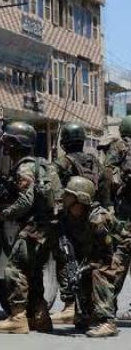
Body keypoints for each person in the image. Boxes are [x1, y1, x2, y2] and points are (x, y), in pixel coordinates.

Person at [0, 122, 55, 334]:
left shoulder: (25, 168)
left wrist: (2, 214)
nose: (4, 145)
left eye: (8, 141)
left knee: (14, 268)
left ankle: (18, 318)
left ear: (17, 143)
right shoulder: (37, 164)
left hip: (32, 227)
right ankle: (40, 317)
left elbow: (26, 200)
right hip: (45, 227)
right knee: (33, 272)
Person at [52, 122, 109, 324]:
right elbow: (105, 192)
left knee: (67, 259)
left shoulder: (62, 163)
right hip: (93, 216)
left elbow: (54, 192)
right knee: (89, 262)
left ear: (64, 142)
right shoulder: (96, 163)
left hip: (71, 218)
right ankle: (88, 308)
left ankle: (69, 306)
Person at [59, 176, 131, 337]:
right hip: (99, 251)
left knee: (101, 273)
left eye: (69, 196)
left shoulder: (98, 220)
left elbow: (105, 257)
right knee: (83, 274)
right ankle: (89, 315)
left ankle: (107, 321)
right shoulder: (70, 216)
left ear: (81, 200)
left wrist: (87, 266)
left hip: (120, 248)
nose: (65, 199)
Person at [101, 115, 131, 318]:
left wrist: (107, 203)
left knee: (118, 262)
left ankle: (107, 310)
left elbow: (107, 176)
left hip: (124, 215)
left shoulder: (119, 146)